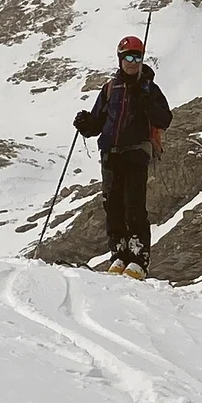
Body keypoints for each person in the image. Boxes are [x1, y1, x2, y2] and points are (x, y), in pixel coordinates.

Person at [73, 35, 173, 280]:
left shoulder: (150, 88)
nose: (132, 61)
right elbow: (98, 122)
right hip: (110, 154)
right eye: (128, 57)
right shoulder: (109, 88)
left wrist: (146, 100)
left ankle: (138, 259)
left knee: (134, 206)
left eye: (137, 57)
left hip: (136, 152)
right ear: (120, 59)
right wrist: (86, 124)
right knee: (113, 207)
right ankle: (118, 254)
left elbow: (165, 119)